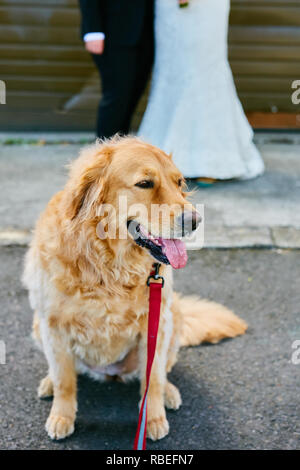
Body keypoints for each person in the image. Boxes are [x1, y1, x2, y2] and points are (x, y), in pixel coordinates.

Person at [138, 0, 264, 182]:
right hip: (168, 9)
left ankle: (209, 160)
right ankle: (160, 154)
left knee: (205, 69)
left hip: (207, 7)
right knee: (171, 69)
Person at [78, 0, 154, 139]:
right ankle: (103, 154)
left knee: (131, 98)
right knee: (116, 98)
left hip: (146, 31)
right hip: (113, 31)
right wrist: (92, 30)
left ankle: (118, 152)